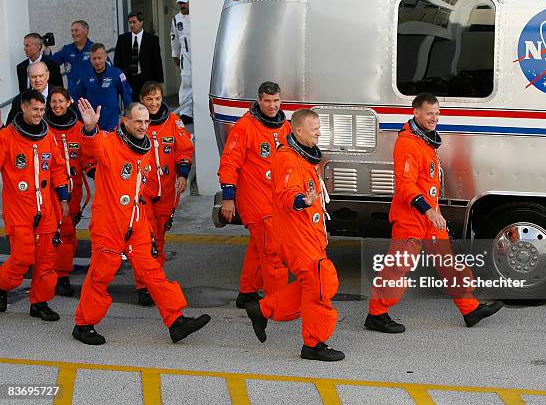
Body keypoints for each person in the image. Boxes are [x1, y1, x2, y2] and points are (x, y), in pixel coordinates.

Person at [72, 98, 210, 345]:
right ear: (125, 121)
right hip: (109, 225)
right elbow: (90, 146)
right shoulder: (109, 143)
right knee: (101, 275)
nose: (143, 126)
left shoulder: (143, 148)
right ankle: (83, 325)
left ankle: (176, 321)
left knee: (153, 272)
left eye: (146, 121)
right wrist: (91, 128)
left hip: (135, 224)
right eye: (138, 121)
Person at [364, 92, 503, 333]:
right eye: (430, 113)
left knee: (447, 262)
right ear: (416, 112)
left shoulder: (426, 141)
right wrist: (428, 211)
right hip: (411, 219)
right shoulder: (408, 143)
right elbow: (405, 184)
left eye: (437, 113)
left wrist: (434, 212)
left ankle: (470, 309)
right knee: (398, 266)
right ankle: (376, 314)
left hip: (429, 218)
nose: (435, 118)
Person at [245, 109, 345, 362]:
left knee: (310, 285)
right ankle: (313, 344)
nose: (319, 133)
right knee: (320, 282)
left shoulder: (303, 158)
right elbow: (286, 194)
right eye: (315, 129)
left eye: (319, 128)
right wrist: (302, 200)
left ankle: (262, 309)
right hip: (296, 236)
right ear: (298, 131)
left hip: (309, 234)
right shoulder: (287, 160)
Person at [218, 81, 290, 309]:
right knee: (273, 252)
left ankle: (247, 293)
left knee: (258, 248)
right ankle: (277, 302)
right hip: (254, 199)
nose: (272, 106)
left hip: (275, 198)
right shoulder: (245, 127)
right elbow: (229, 163)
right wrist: (228, 198)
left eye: (276, 100)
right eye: (267, 101)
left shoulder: (283, 126)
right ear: (259, 100)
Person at [0, 90, 69, 321]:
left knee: (47, 260)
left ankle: (39, 302)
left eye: (42, 110)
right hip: (18, 210)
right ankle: (2, 286)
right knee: (22, 257)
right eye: (35, 109)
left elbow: (58, 167)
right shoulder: (7, 137)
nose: (40, 114)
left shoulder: (47, 136)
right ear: (23, 107)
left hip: (45, 210)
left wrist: (63, 197)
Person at [136, 81, 193, 306]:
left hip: (167, 191)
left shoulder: (173, 122)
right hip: (142, 192)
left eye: (157, 98)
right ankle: (144, 285)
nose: (153, 103)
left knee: (158, 239)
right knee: (145, 239)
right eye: (149, 99)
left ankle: (154, 280)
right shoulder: (133, 123)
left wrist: (183, 174)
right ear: (142, 100)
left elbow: (184, 150)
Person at [44, 87, 94, 297]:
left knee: (67, 234)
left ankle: (61, 275)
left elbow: (87, 157)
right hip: (47, 190)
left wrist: (95, 171)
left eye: (60, 102)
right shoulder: (43, 128)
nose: (57, 106)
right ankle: (52, 274)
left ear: (68, 102)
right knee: (49, 234)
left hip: (73, 190)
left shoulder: (79, 128)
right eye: (53, 102)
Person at [73, 43, 132, 131]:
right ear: (90, 59)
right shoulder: (85, 76)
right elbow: (77, 97)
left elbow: (127, 96)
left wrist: (128, 117)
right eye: (94, 58)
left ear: (105, 56)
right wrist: (82, 117)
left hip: (112, 123)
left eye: (99, 58)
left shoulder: (116, 74)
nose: (97, 61)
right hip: (92, 123)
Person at [113, 12, 164, 101]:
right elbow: (117, 60)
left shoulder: (152, 40)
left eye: (134, 22)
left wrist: (159, 81)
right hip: (128, 78)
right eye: (130, 22)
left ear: (141, 22)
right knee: (130, 105)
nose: (132, 25)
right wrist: (118, 77)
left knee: (146, 103)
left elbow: (157, 61)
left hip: (146, 78)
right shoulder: (122, 39)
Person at [45, 20, 94, 99]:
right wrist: (46, 48)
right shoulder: (66, 49)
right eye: (72, 31)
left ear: (86, 31)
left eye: (76, 30)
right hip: (73, 96)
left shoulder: (95, 49)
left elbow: (107, 69)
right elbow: (51, 64)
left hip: (92, 95)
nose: (73, 33)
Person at [6, 62, 59, 126]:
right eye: (34, 77)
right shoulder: (19, 100)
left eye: (41, 76)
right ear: (28, 78)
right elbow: (11, 126)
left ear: (47, 75)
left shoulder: (60, 95)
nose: (37, 80)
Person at [170, 0, 192, 124]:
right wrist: (175, 55)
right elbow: (174, 39)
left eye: (184, 3)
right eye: (180, 3)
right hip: (186, 55)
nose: (182, 5)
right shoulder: (176, 19)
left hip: (200, 55)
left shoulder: (198, 16)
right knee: (186, 82)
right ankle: (186, 113)